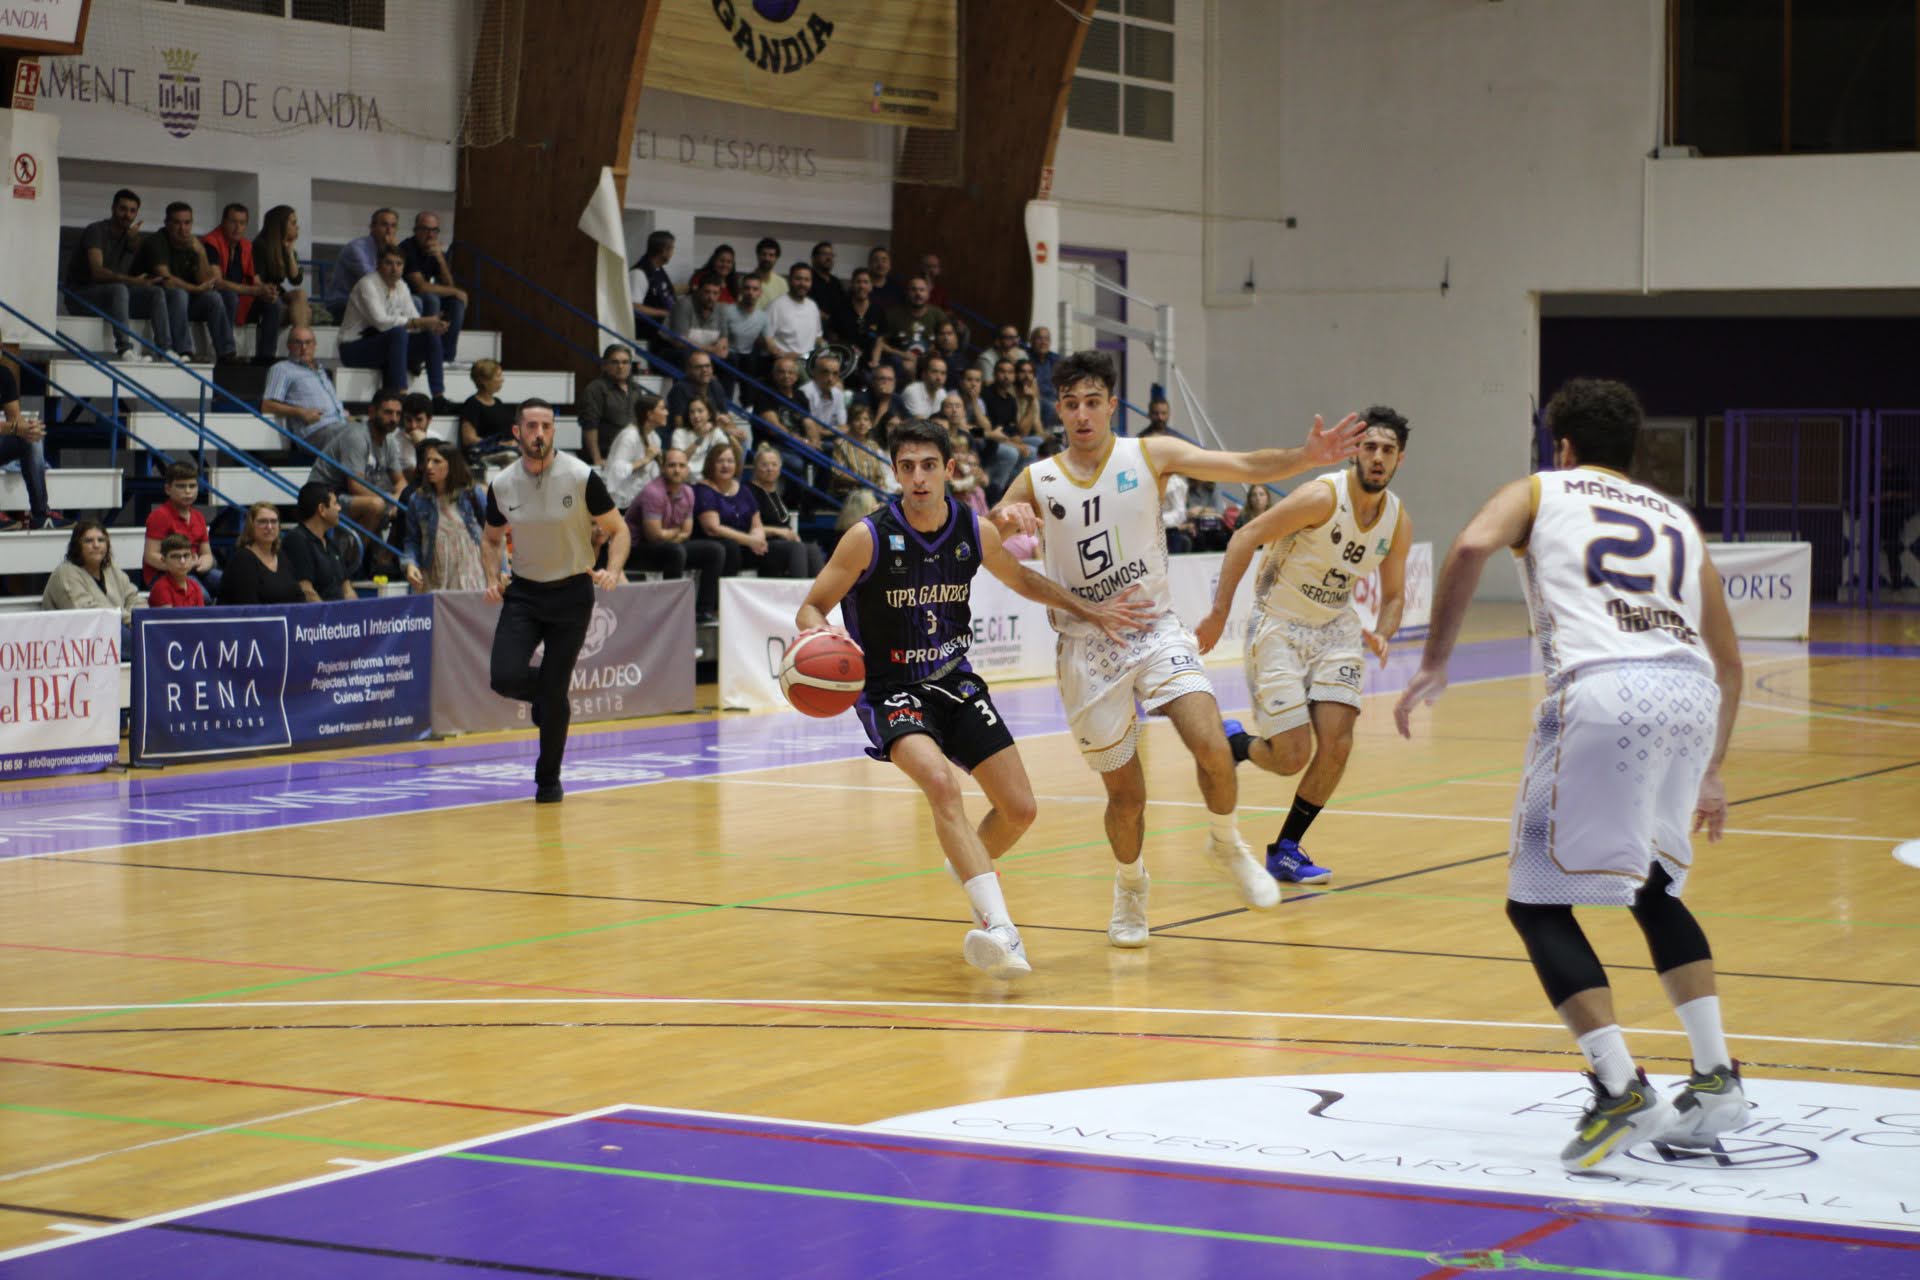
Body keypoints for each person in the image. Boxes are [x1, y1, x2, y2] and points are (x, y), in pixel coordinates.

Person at [1393, 377, 1746, 1171]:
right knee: (1654, 888)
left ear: (1564, 447)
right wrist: (1714, 768)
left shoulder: (1540, 489)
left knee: (1536, 904)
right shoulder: (1678, 522)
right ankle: (1718, 1076)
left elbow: (1472, 545)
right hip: (1689, 694)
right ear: (1632, 452)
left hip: (1604, 687)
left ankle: (1620, 1086)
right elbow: (1729, 660)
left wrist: (1436, 663)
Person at [992, 351, 1364, 947]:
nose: (1082, 414)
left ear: (1112, 405)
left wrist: (1303, 458)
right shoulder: (1038, 478)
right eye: (1071, 404)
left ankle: (1226, 842)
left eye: (1093, 402)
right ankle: (1131, 887)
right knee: (1127, 797)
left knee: (1212, 743)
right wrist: (1001, 518)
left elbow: (1239, 464)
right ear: (1058, 410)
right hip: (1086, 645)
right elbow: (984, 537)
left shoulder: (1149, 454)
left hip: (1154, 628)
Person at [795, 419, 1156, 978]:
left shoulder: (971, 528)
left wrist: (1090, 609)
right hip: (891, 690)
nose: (918, 477)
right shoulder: (868, 536)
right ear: (895, 472)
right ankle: (1001, 930)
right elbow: (812, 605)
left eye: (929, 465)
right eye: (907, 466)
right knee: (940, 783)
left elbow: (1022, 580)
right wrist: (822, 636)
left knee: (1021, 809)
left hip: (954, 678)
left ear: (949, 469)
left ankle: (967, 861)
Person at [1199, 407, 1414, 885]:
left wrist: (1384, 629)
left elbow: (1396, 594)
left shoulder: (1397, 521)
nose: (1378, 458)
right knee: (1291, 756)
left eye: (1388, 450)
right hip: (1279, 622)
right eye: (1370, 447)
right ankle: (1234, 741)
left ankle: (1287, 849)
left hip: (1336, 626)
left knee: (1337, 744)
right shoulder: (1321, 497)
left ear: (1400, 459)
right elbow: (1245, 537)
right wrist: (1218, 614)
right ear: (1356, 451)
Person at [482, 399, 630, 804]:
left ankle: (548, 780)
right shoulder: (502, 484)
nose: (539, 434)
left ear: (554, 431)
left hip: (571, 594)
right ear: (517, 433)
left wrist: (613, 569)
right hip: (524, 593)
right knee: (505, 677)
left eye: (546, 426)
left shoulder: (581, 477)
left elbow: (618, 531)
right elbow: (491, 538)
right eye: (531, 426)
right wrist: (492, 577)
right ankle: (548, 698)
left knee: (553, 687)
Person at [64, 188, 172, 361]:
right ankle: (124, 349)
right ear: (113, 208)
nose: (127, 215)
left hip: (109, 296)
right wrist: (133, 282)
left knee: (156, 293)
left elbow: (119, 273)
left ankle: (164, 350)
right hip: (80, 296)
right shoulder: (96, 230)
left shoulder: (130, 237)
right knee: (120, 290)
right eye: (123, 209)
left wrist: (130, 246)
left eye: (132, 211)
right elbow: (98, 273)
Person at [339, 247, 449, 402]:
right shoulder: (367, 284)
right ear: (378, 265)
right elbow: (381, 322)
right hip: (353, 347)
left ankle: (438, 398)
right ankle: (401, 395)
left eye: (399, 264)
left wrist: (430, 325)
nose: (394, 268)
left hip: (384, 343)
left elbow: (413, 317)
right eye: (389, 263)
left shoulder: (401, 286)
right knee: (398, 333)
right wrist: (419, 322)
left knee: (430, 336)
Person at [626, 447, 724, 620]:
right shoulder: (653, 492)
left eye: (681, 465)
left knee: (715, 550)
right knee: (675, 551)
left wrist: (671, 534)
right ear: (663, 468)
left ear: (687, 469)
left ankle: (704, 611)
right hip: (636, 548)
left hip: (669, 544)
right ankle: (670, 614)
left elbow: (687, 532)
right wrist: (676, 533)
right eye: (672, 465)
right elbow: (653, 535)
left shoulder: (688, 492)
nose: (677, 470)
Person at [133, 201, 237, 364]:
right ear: (167, 224)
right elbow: (166, 279)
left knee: (214, 298)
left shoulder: (193, 244)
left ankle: (227, 353)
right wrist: (196, 289)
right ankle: (184, 351)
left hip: (183, 302)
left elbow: (206, 281)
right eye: (177, 223)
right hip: (156, 301)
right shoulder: (156, 241)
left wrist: (201, 252)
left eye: (187, 223)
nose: (183, 229)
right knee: (178, 294)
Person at [694, 440, 806, 579]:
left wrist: (758, 538)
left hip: (748, 545)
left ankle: (815, 597)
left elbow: (756, 525)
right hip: (726, 545)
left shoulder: (742, 490)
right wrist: (750, 540)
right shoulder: (704, 490)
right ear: (710, 464)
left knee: (801, 548)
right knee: (789, 549)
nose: (725, 465)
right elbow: (713, 528)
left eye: (730, 461)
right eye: (720, 461)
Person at [403, 439, 489, 593]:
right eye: (428, 460)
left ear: (452, 465)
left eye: (437, 461)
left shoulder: (472, 494)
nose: (429, 466)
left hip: (471, 572)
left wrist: (502, 569)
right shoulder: (417, 500)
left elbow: (493, 535)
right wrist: (411, 564)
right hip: (435, 574)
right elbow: (412, 540)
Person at [202, 202, 283, 365]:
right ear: (223, 222)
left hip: (242, 299)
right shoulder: (210, 242)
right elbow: (217, 283)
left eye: (242, 223)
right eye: (233, 222)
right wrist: (254, 291)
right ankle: (226, 353)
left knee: (274, 303)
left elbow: (256, 280)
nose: (237, 227)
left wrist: (266, 291)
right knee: (229, 296)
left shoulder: (246, 246)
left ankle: (266, 357)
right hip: (214, 298)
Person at [42, 520, 141, 646]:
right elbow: (90, 616)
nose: (96, 545)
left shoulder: (111, 570)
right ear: (77, 546)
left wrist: (136, 620)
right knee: (141, 642)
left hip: (114, 629)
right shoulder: (65, 573)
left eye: (101, 540)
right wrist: (128, 619)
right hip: (76, 643)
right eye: (89, 541)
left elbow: (135, 598)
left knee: (146, 632)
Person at [261, 327, 348, 453]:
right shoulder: (282, 369)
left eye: (308, 342)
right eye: (298, 342)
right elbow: (267, 406)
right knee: (355, 436)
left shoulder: (320, 370)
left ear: (315, 345)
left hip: (338, 426)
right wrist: (301, 412)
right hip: (315, 432)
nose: (304, 348)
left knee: (374, 431)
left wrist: (341, 412)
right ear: (289, 346)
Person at [747, 444, 825, 576]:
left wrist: (791, 535)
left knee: (812, 549)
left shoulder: (775, 492)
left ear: (780, 468)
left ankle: (821, 595)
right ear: (755, 467)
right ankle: (799, 595)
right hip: (758, 546)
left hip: (781, 545)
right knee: (797, 548)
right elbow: (747, 528)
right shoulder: (748, 492)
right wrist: (780, 531)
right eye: (764, 465)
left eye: (774, 464)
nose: (770, 469)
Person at [141, 460, 217, 593]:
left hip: (193, 569)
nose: (188, 491)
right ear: (168, 489)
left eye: (192, 486)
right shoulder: (160, 516)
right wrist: (183, 566)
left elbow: (207, 554)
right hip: (163, 573)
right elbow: (150, 556)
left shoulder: (198, 517)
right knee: (202, 595)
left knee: (230, 584)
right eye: (181, 486)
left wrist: (205, 563)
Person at [402, 211, 466, 365]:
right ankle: (427, 351)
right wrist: (457, 292)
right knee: (432, 299)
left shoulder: (434, 251)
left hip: (423, 295)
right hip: (406, 296)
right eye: (425, 229)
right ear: (416, 230)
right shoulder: (407, 248)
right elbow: (421, 287)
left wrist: (441, 260)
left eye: (434, 230)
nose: (430, 235)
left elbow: (448, 285)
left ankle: (446, 358)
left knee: (455, 304)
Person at [0, 361, 57, 530]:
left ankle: (41, 515)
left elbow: (15, 419)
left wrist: (30, 430)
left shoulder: (3, 374)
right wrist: (16, 428)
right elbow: (13, 426)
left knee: (31, 440)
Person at [282, 482, 357, 602]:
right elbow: (306, 590)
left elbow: (347, 587)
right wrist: (328, 618)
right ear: (322, 509)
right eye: (335, 503)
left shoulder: (331, 543)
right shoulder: (296, 541)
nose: (339, 508)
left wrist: (353, 613)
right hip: (318, 617)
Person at [219, 502, 305, 605]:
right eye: (263, 521)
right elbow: (249, 607)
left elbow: (299, 596)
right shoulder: (243, 559)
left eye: (274, 521)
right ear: (251, 526)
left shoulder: (281, 556)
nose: (269, 527)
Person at [831, 401, 897, 533]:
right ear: (850, 422)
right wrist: (862, 481)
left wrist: (880, 488)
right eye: (857, 419)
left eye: (866, 419)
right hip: (849, 493)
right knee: (869, 502)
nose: (862, 423)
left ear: (871, 423)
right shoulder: (842, 444)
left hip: (873, 492)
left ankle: (894, 550)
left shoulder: (873, 446)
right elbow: (838, 473)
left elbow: (879, 474)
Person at [579, 344, 647, 467]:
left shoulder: (636, 389)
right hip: (606, 457)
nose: (620, 366)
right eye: (615, 362)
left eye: (625, 362)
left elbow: (642, 422)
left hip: (631, 456)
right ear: (605, 365)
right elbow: (590, 425)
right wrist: (597, 459)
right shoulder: (595, 389)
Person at [252, 205, 319, 329]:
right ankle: (300, 341)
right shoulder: (260, 245)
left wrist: (290, 252)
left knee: (300, 294)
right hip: (262, 297)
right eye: (293, 223)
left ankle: (299, 339)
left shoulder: (286, 248)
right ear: (281, 225)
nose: (297, 227)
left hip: (278, 294)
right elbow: (258, 280)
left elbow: (296, 280)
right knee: (306, 313)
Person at [325, 207, 401, 314]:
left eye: (393, 226)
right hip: (343, 302)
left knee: (416, 302)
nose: (389, 230)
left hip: (371, 301)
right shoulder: (357, 249)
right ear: (372, 227)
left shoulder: (392, 251)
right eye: (384, 225)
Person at [602, 392, 665, 512]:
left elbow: (653, 475)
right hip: (621, 502)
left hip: (642, 500)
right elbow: (617, 471)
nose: (666, 412)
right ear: (650, 414)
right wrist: (646, 459)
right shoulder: (630, 436)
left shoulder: (655, 438)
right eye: (662, 408)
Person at [459, 359, 517, 462]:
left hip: (507, 450)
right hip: (486, 454)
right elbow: (469, 439)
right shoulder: (472, 404)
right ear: (484, 380)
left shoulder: (498, 402)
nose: (502, 379)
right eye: (498, 376)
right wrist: (500, 445)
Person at [766, 263, 823, 362]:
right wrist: (783, 355)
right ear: (790, 280)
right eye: (798, 279)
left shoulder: (812, 306)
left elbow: (818, 337)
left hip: (810, 364)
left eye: (807, 280)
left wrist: (827, 349)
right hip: (785, 365)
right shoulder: (776, 306)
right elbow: (765, 338)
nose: (802, 284)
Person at [671, 399, 737, 477]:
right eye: (692, 412)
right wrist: (702, 436)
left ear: (709, 414)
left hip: (707, 478)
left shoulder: (715, 432)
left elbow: (735, 453)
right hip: (684, 478)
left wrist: (726, 432)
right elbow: (679, 460)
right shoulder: (679, 433)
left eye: (700, 411)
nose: (696, 415)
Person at [628, 229, 678, 333]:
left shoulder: (658, 270)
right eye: (672, 248)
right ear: (664, 250)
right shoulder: (639, 273)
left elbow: (665, 293)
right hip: (647, 333)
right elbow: (635, 307)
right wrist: (665, 313)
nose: (673, 252)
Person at [149, 534, 206, 607]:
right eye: (175, 556)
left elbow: (200, 617)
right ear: (164, 561)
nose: (182, 561)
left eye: (186, 555)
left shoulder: (195, 587)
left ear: (193, 558)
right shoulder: (161, 588)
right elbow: (169, 618)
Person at [747, 237, 788, 312]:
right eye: (764, 254)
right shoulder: (745, 281)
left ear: (776, 258)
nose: (767, 258)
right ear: (758, 255)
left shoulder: (782, 284)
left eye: (771, 255)